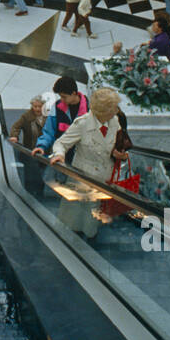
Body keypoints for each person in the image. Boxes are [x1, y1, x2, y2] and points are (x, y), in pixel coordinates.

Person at [49, 86, 125, 238]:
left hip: (103, 176)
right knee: (75, 216)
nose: (116, 111)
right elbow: (61, 143)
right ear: (102, 111)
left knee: (93, 216)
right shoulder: (82, 123)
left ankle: (90, 240)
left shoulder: (115, 121)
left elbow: (116, 144)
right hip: (83, 176)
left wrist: (119, 154)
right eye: (113, 108)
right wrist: (59, 155)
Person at [34, 77, 90, 160]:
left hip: (80, 160)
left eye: (64, 97)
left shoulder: (89, 109)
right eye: (60, 96)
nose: (62, 100)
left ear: (74, 93)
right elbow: (49, 131)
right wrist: (42, 146)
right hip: (59, 156)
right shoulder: (57, 107)